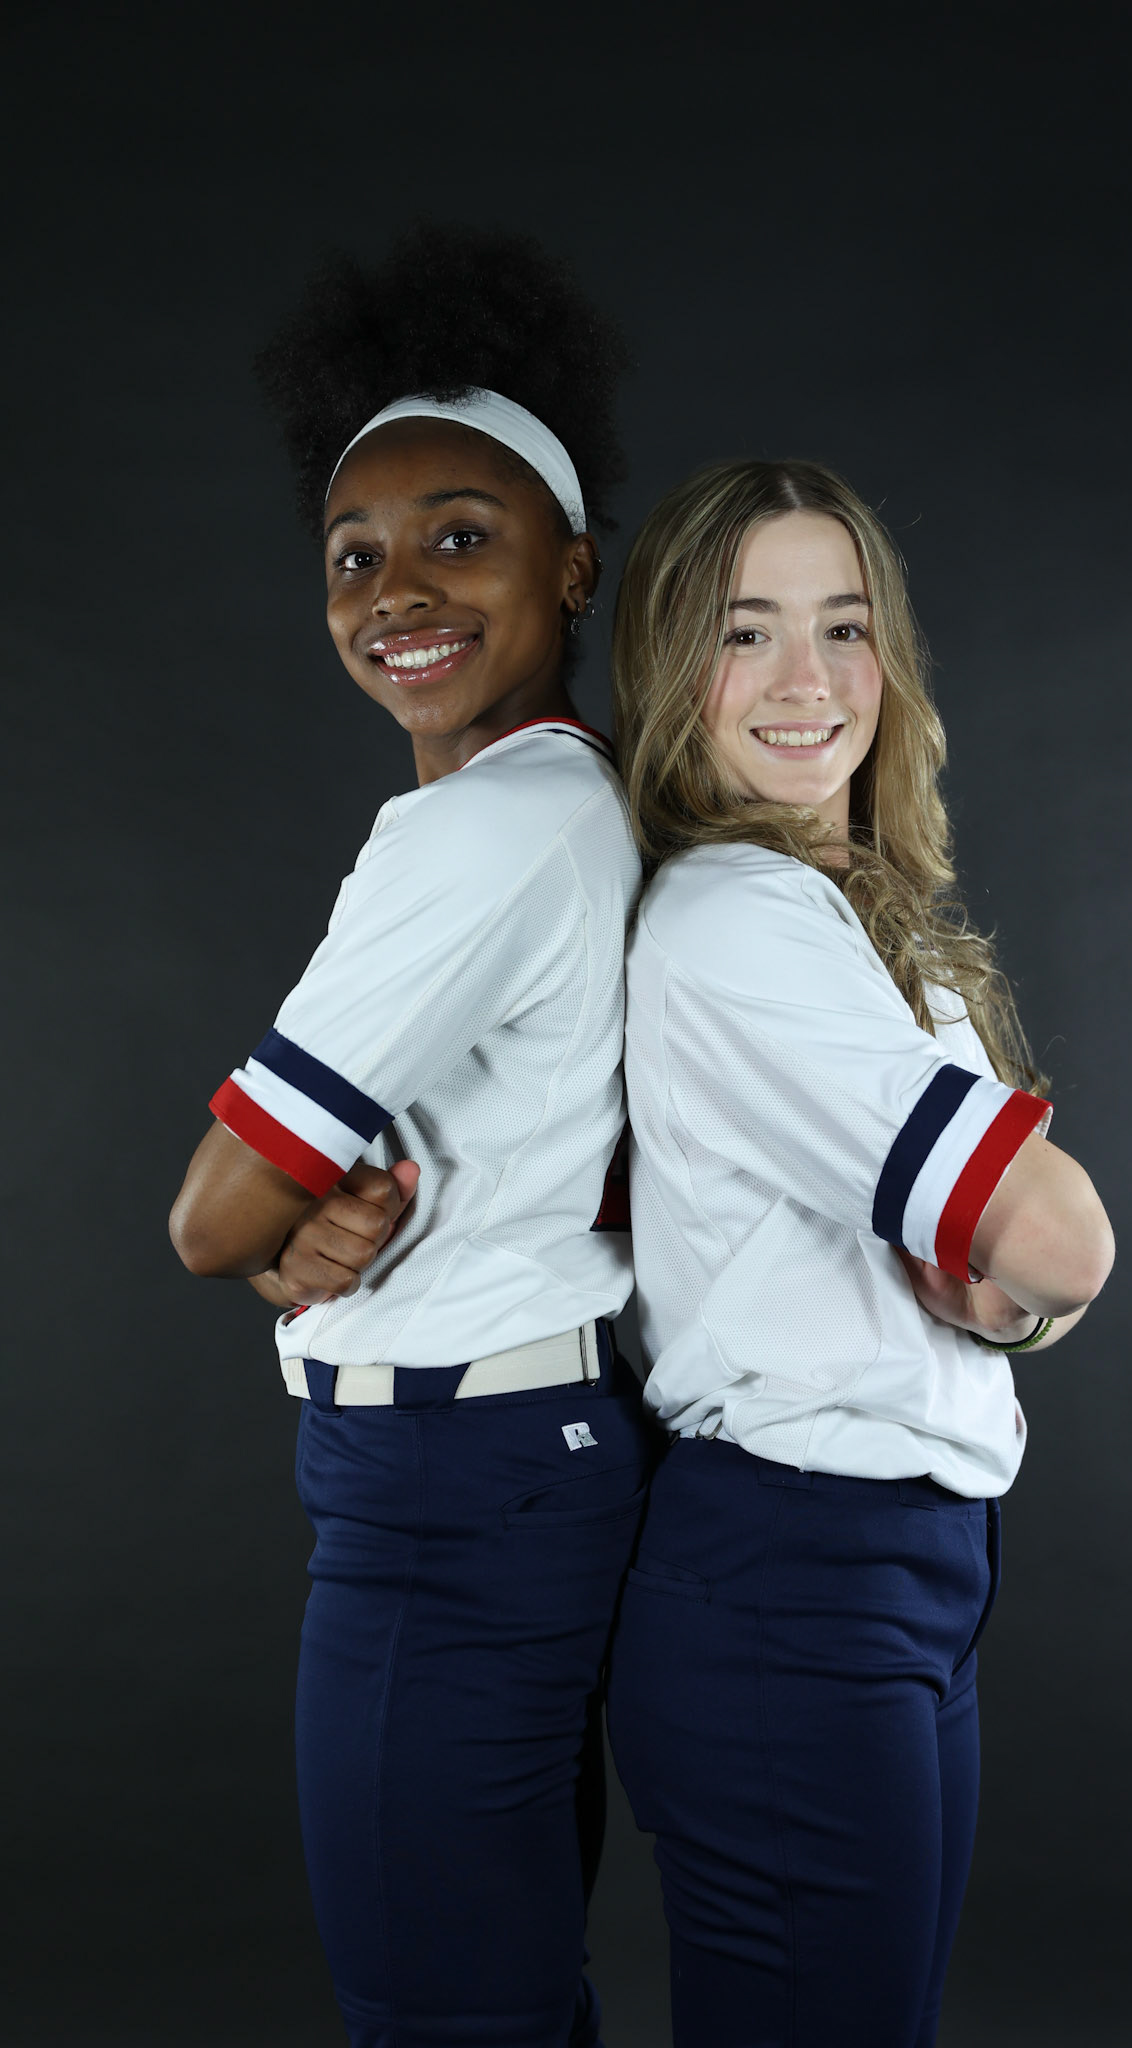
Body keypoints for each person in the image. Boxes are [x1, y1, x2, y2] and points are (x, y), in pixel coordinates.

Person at [169, 225, 655, 2048]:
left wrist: (266, 1232)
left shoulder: (472, 831)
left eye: (462, 532)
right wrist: (302, 1237)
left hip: (451, 1489)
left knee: (440, 2007)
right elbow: (301, 1213)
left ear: (573, 564)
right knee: (508, 1983)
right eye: (353, 553)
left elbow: (212, 1219)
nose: (398, 588)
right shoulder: (583, 794)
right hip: (542, 1439)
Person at [606, 459, 1115, 2047]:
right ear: (671, 670)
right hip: (792, 1587)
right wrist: (1029, 1271)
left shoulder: (850, 913)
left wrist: (1007, 1312)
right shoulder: (738, 920)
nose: (808, 681)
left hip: (900, 1575)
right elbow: (1063, 1236)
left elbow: (1004, 1285)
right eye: (745, 632)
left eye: (843, 625)